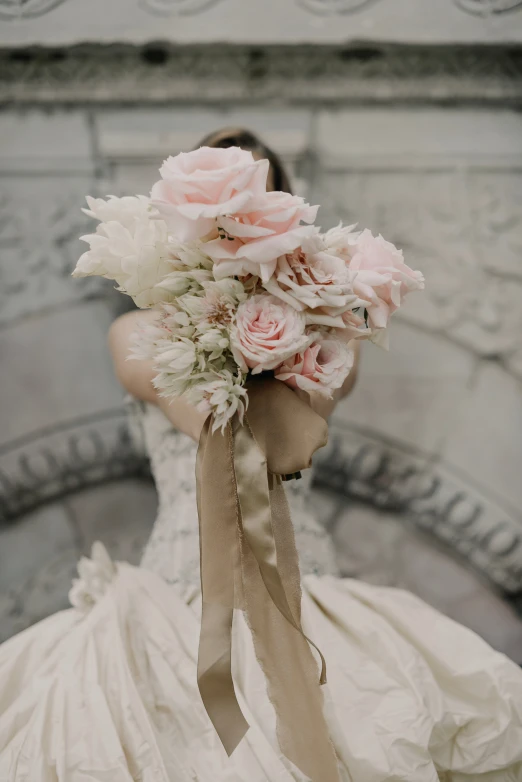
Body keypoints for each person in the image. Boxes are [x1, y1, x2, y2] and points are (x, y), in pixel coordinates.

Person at [1, 128, 521, 782]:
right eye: (228, 202)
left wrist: (301, 315)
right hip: (175, 597)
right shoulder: (133, 333)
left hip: (307, 595)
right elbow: (213, 424)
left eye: (263, 196)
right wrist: (220, 311)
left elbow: (280, 445)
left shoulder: (335, 345)